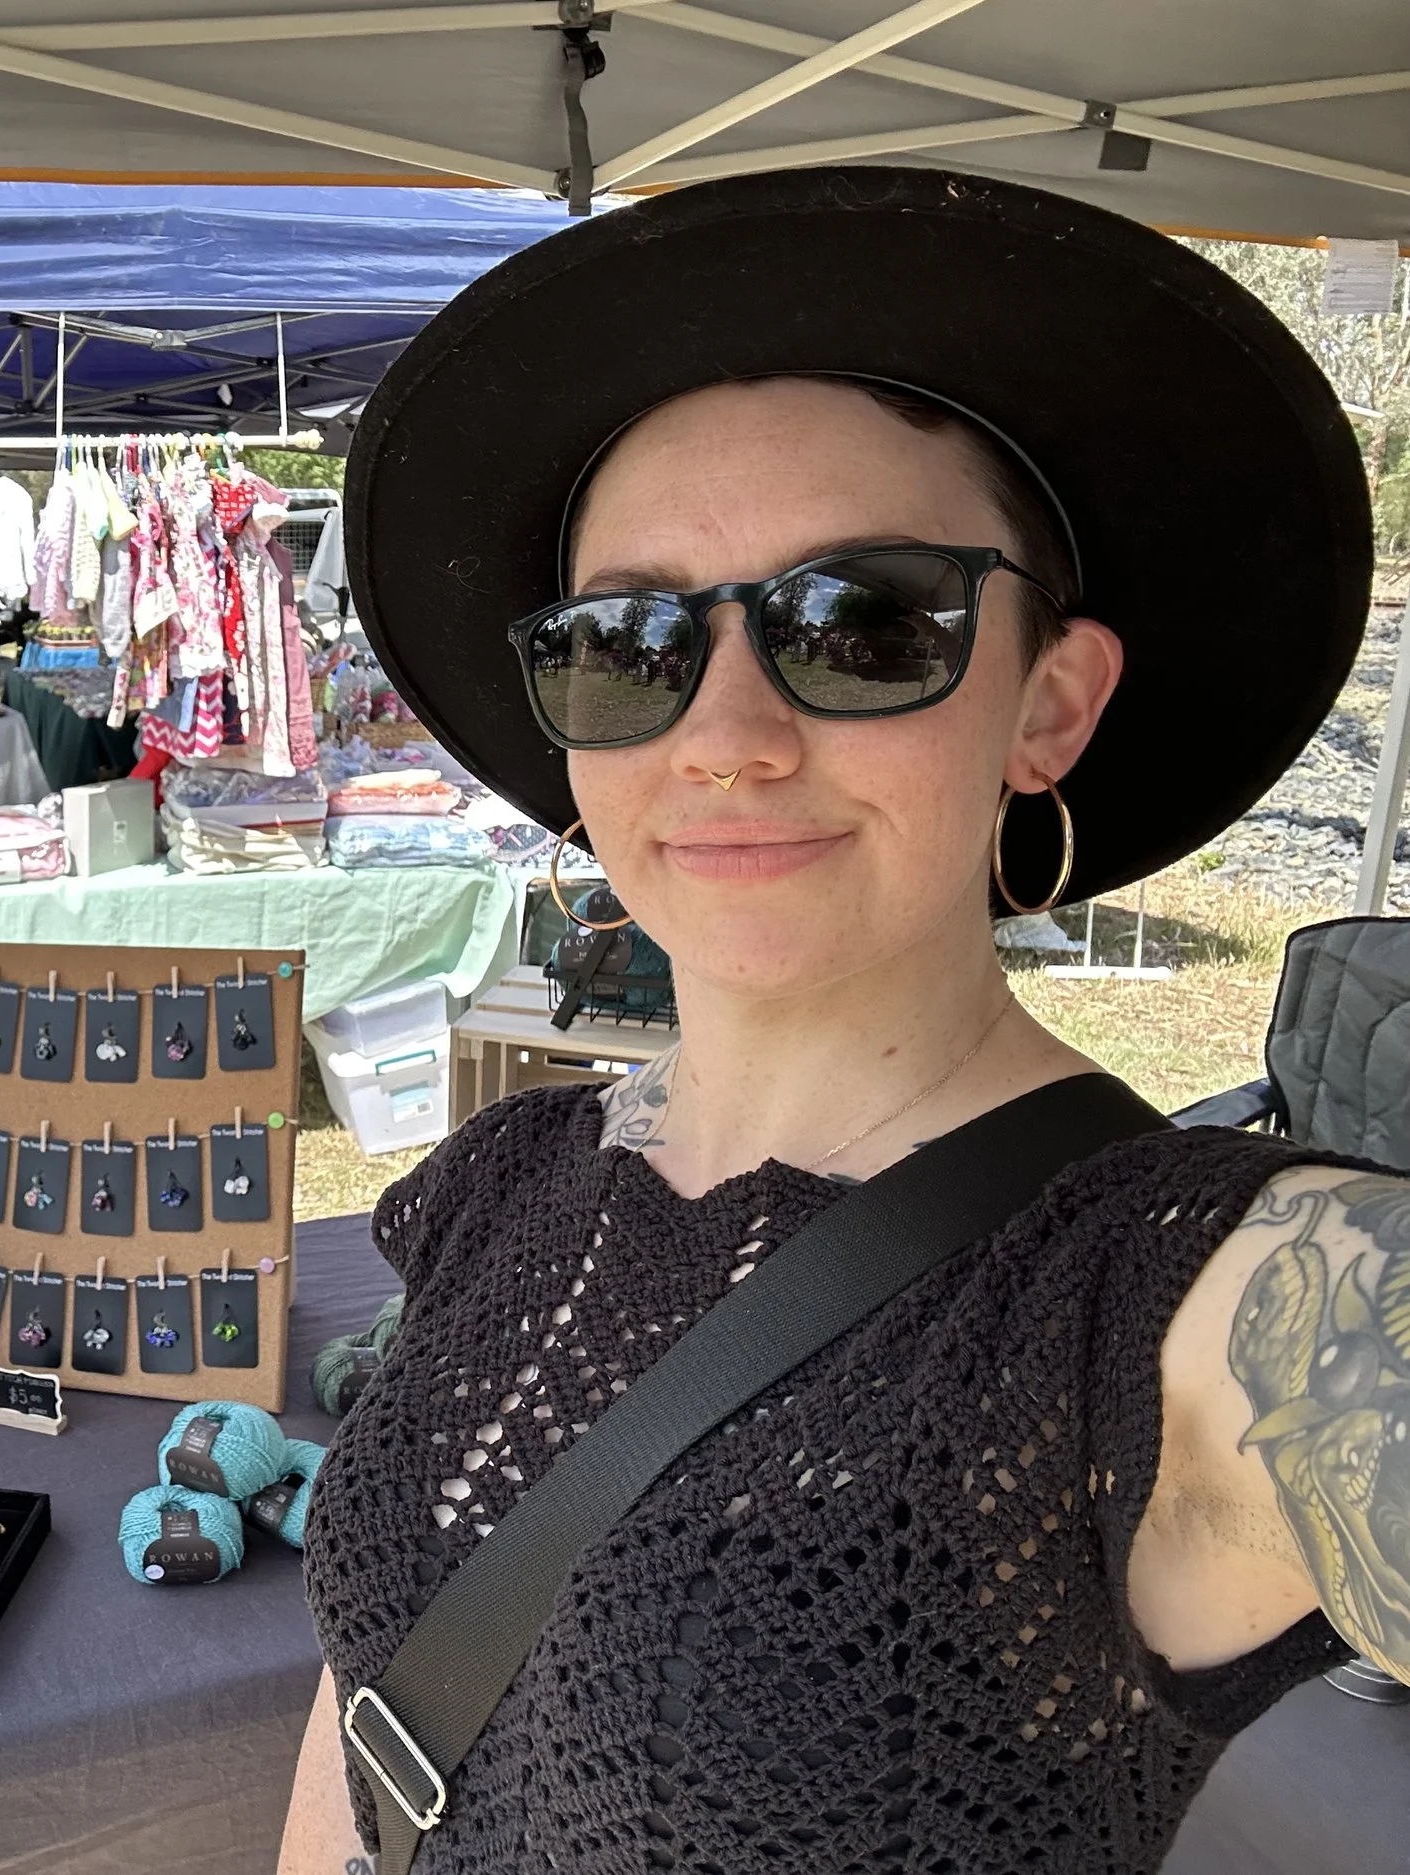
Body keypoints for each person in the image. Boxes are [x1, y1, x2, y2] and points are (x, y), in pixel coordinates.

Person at [280, 167, 1396, 1875]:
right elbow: (373, 1720)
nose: (723, 731)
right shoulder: (503, 1185)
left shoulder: (1170, 1312)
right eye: (627, 642)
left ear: (1050, 702)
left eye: (861, 624)